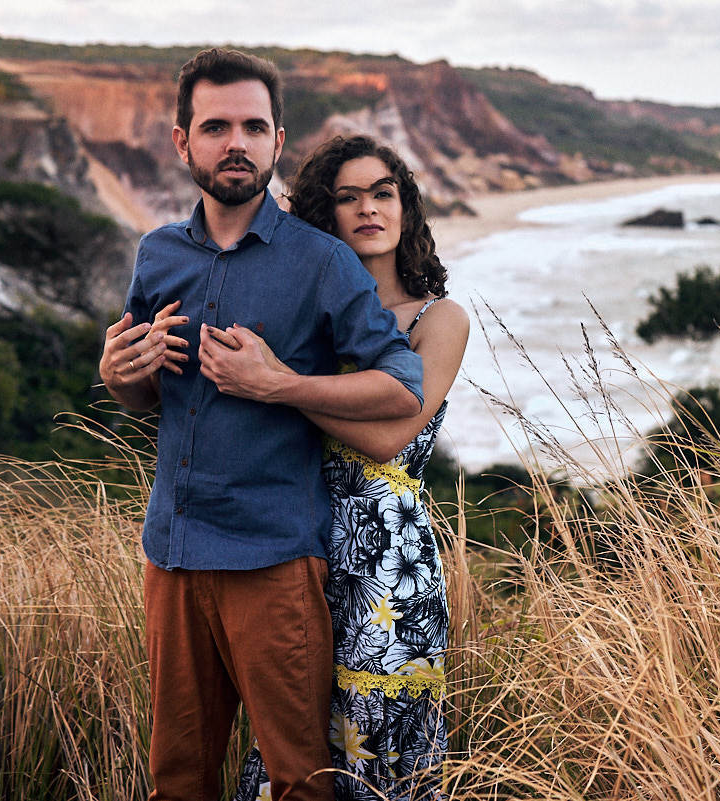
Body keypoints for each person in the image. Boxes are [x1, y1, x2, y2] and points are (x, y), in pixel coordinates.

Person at [98, 51, 424, 801]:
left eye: (252, 126)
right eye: (215, 127)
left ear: (279, 140)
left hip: (274, 562)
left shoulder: (323, 263)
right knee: (177, 778)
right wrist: (121, 378)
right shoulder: (157, 255)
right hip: (171, 556)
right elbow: (145, 394)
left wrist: (279, 383)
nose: (234, 142)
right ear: (183, 143)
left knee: (299, 782)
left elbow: (402, 386)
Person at [208, 135, 469, 801]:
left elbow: (391, 436)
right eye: (346, 197)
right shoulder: (306, 317)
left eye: (383, 192)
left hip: (389, 564)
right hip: (293, 539)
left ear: (405, 206)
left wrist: (278, 384)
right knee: (288, 740)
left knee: (373, 745)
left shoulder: (440, 319)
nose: (368, 209)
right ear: (323, 214)